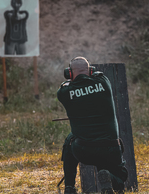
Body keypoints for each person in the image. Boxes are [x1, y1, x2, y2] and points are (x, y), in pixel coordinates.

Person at [57, 57, 128, 194]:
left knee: (69, 140)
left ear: (69, 73)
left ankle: (69, 187)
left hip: (84, 150)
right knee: (120, 178)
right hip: (111, 148)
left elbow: (66, 86)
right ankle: (109, 177)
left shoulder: (64, 93)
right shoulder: (104, 82)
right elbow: (97, 75)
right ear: (90, 70)